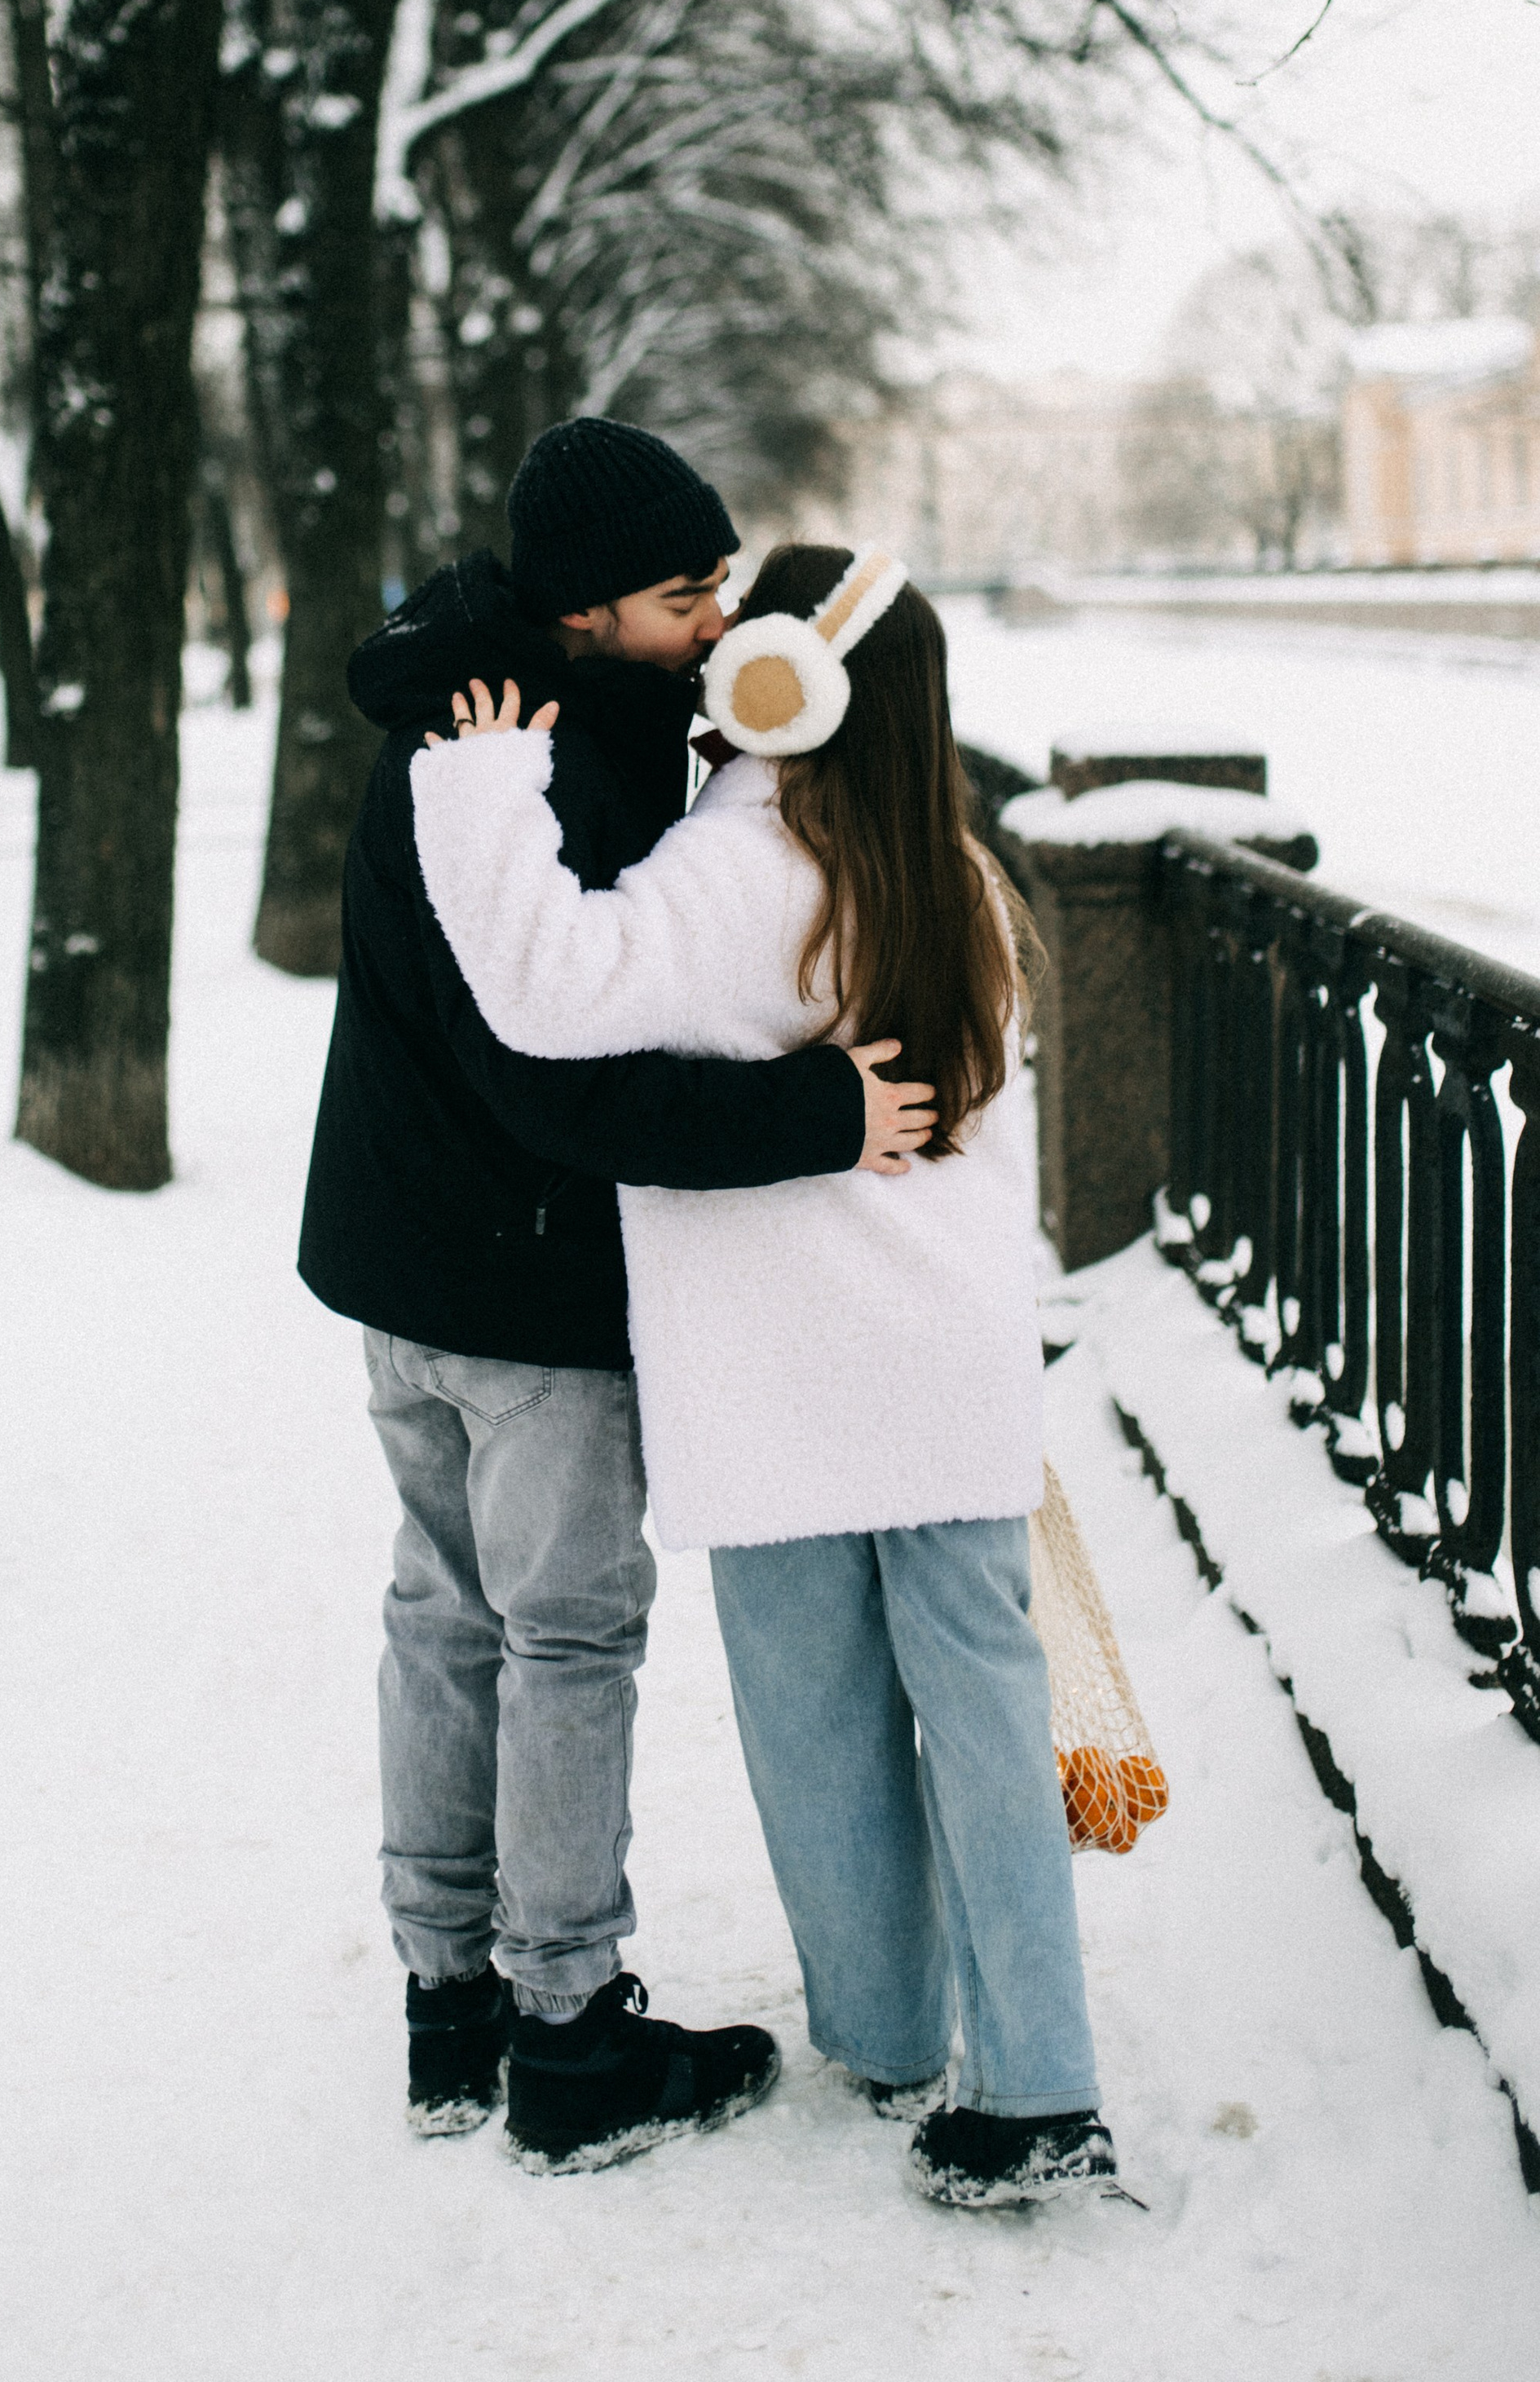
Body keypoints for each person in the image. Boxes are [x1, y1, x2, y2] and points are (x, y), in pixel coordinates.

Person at [408, 540, 1122, 2212]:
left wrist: (484, 774)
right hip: (947, 1384)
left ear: (778, 689)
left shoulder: (734, 877)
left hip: (777, 1392)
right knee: (987, 1722)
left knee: (815, 1728)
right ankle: (1040, 2083)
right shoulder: (956, 880)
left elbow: (543, 984)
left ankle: (879, 2033)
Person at [298, 426, 936, 2174]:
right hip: (522, 1281)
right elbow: (557, 1070)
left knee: (439, 1618)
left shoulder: (472, 709)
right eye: (685, 595)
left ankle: (454, 2015)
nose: (716, 616)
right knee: (560, 1641)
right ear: (587, 613)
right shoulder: (549, 756)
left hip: (399, 1260)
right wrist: (824, 1112)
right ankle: (570, 2043)